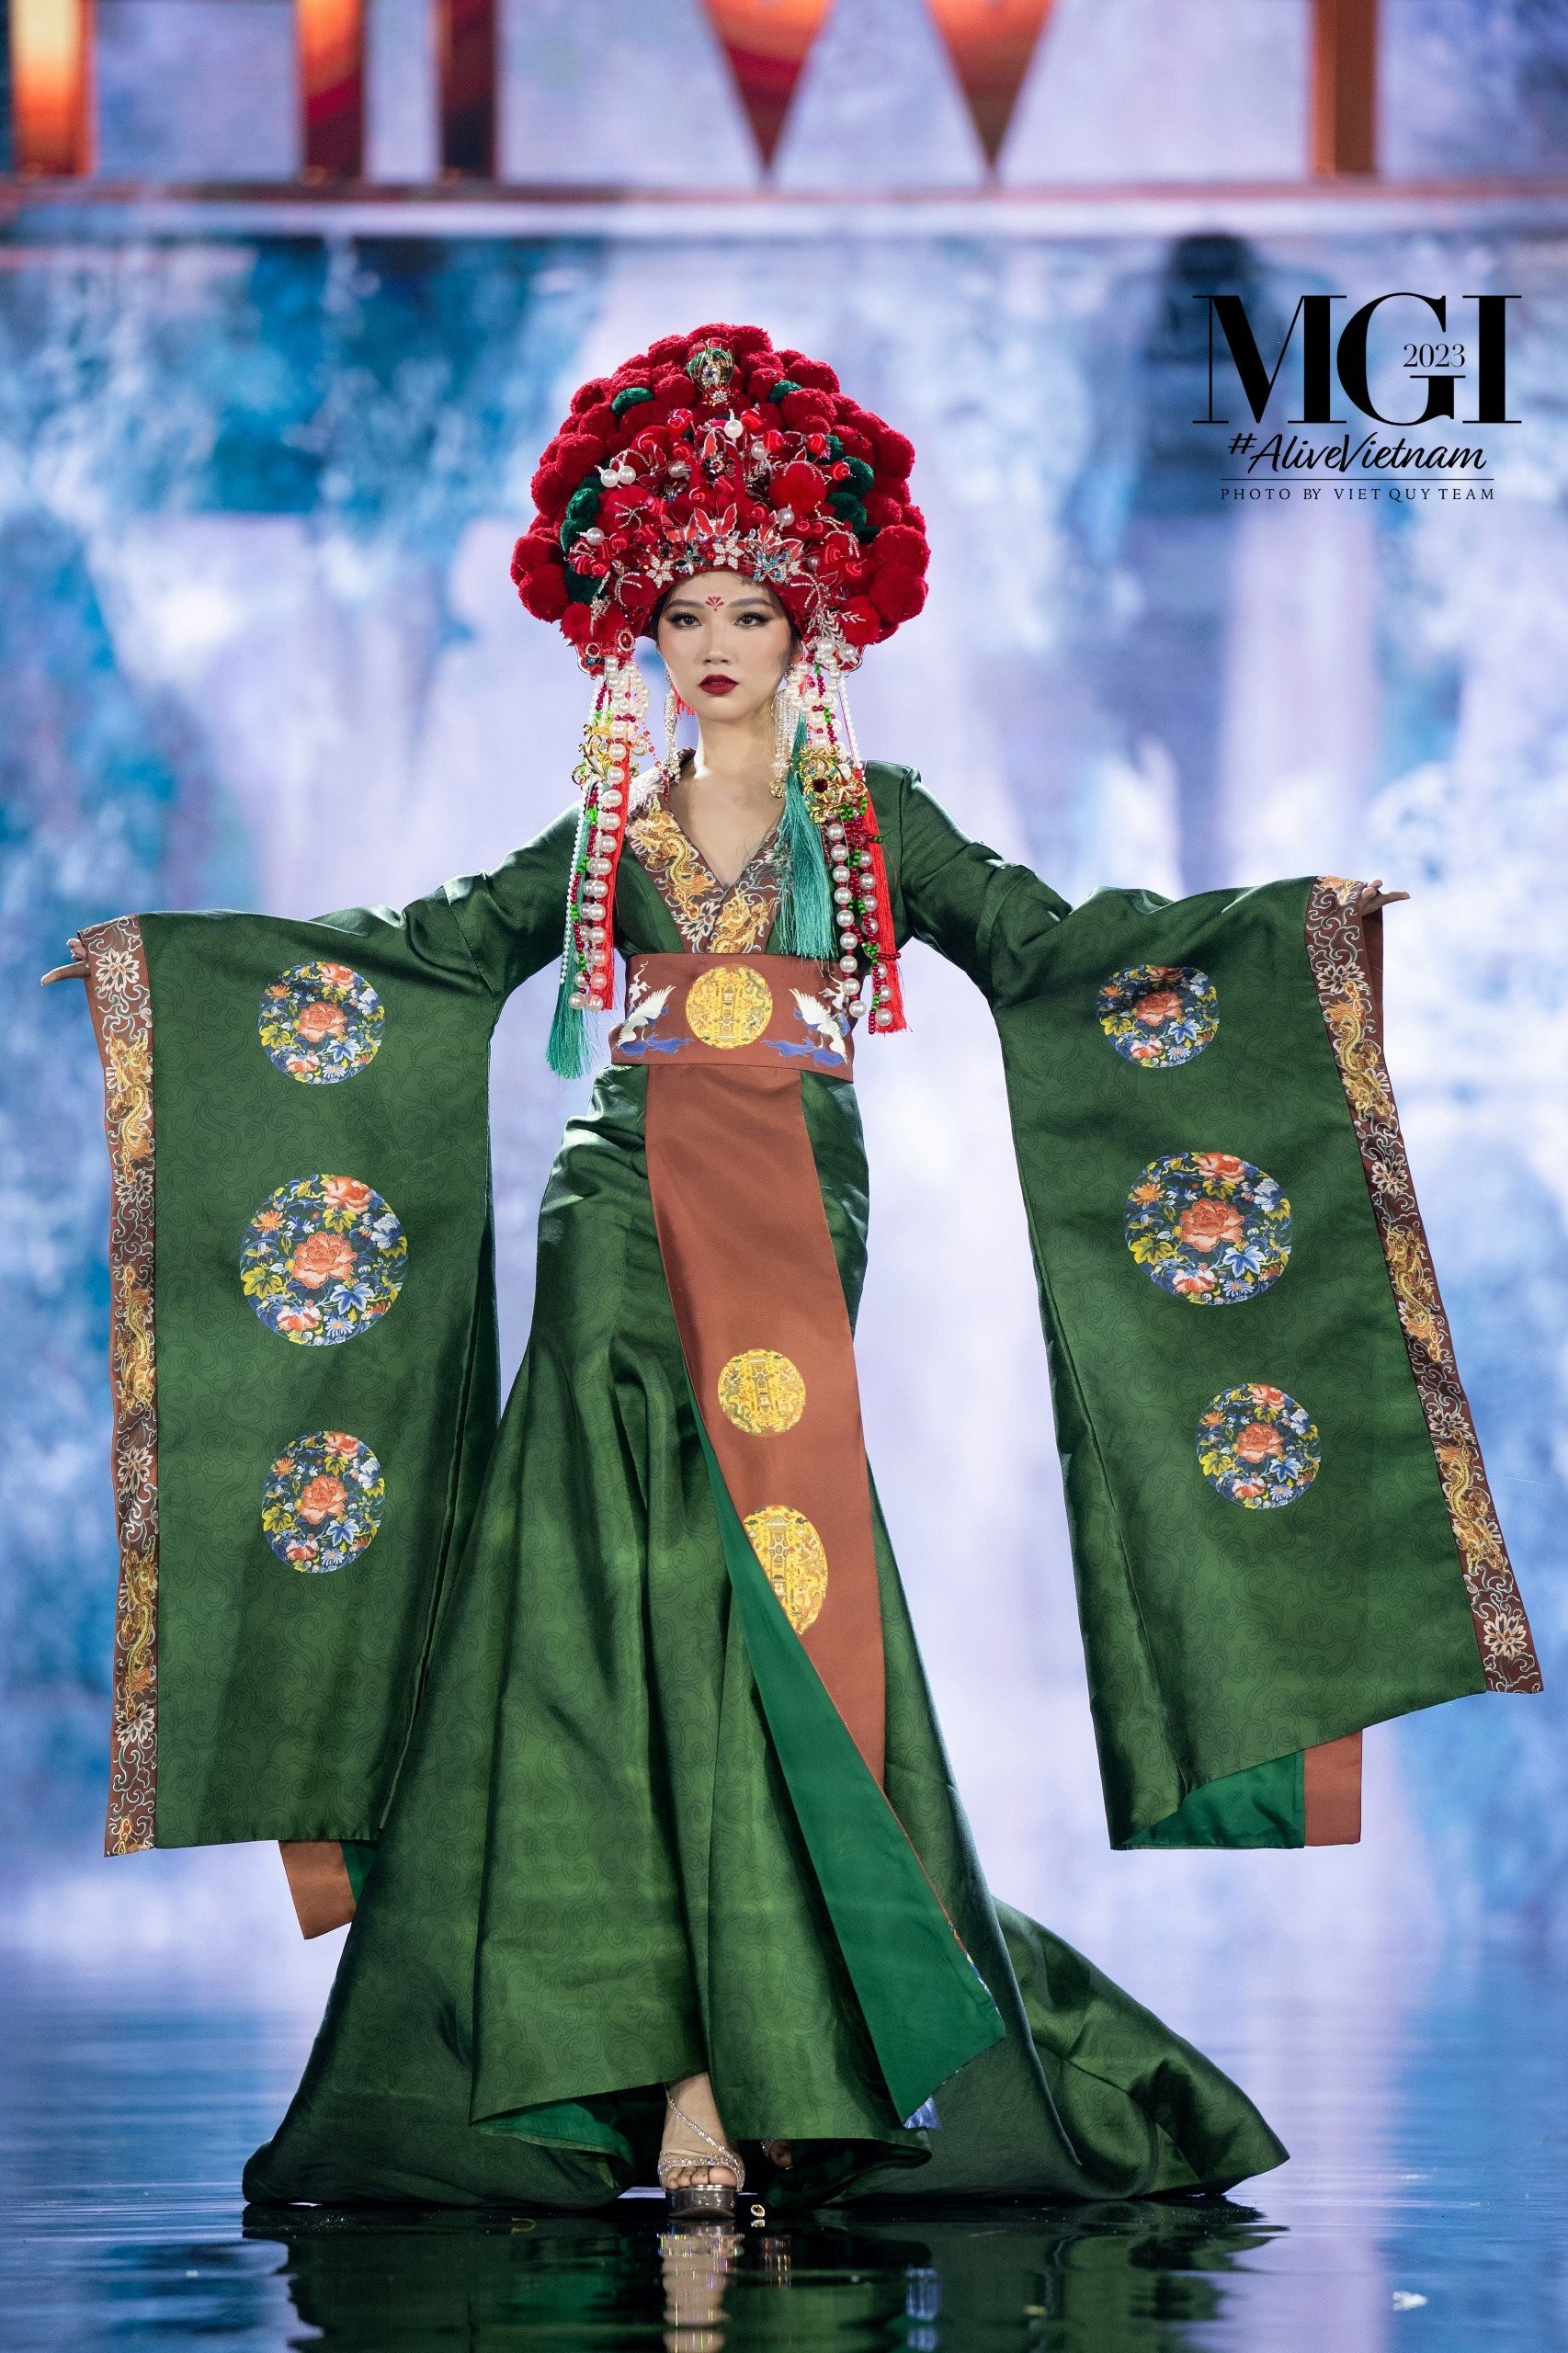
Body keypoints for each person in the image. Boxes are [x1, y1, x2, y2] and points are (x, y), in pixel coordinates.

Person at [59, 323, 1534, 2219]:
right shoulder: (609, 825)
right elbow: (426, 952)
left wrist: (1294, 928)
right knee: (599, 1605)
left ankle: (783, 2048)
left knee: (764, 1581)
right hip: (611, 1204)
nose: (714, 643)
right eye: (683, 612)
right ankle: (678, 2077)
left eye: (748, 610)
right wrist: (166, 977)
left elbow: (1054, 947)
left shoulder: (872, 819)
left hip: (792, 1203)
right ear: (639, 628)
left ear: (808, 623)